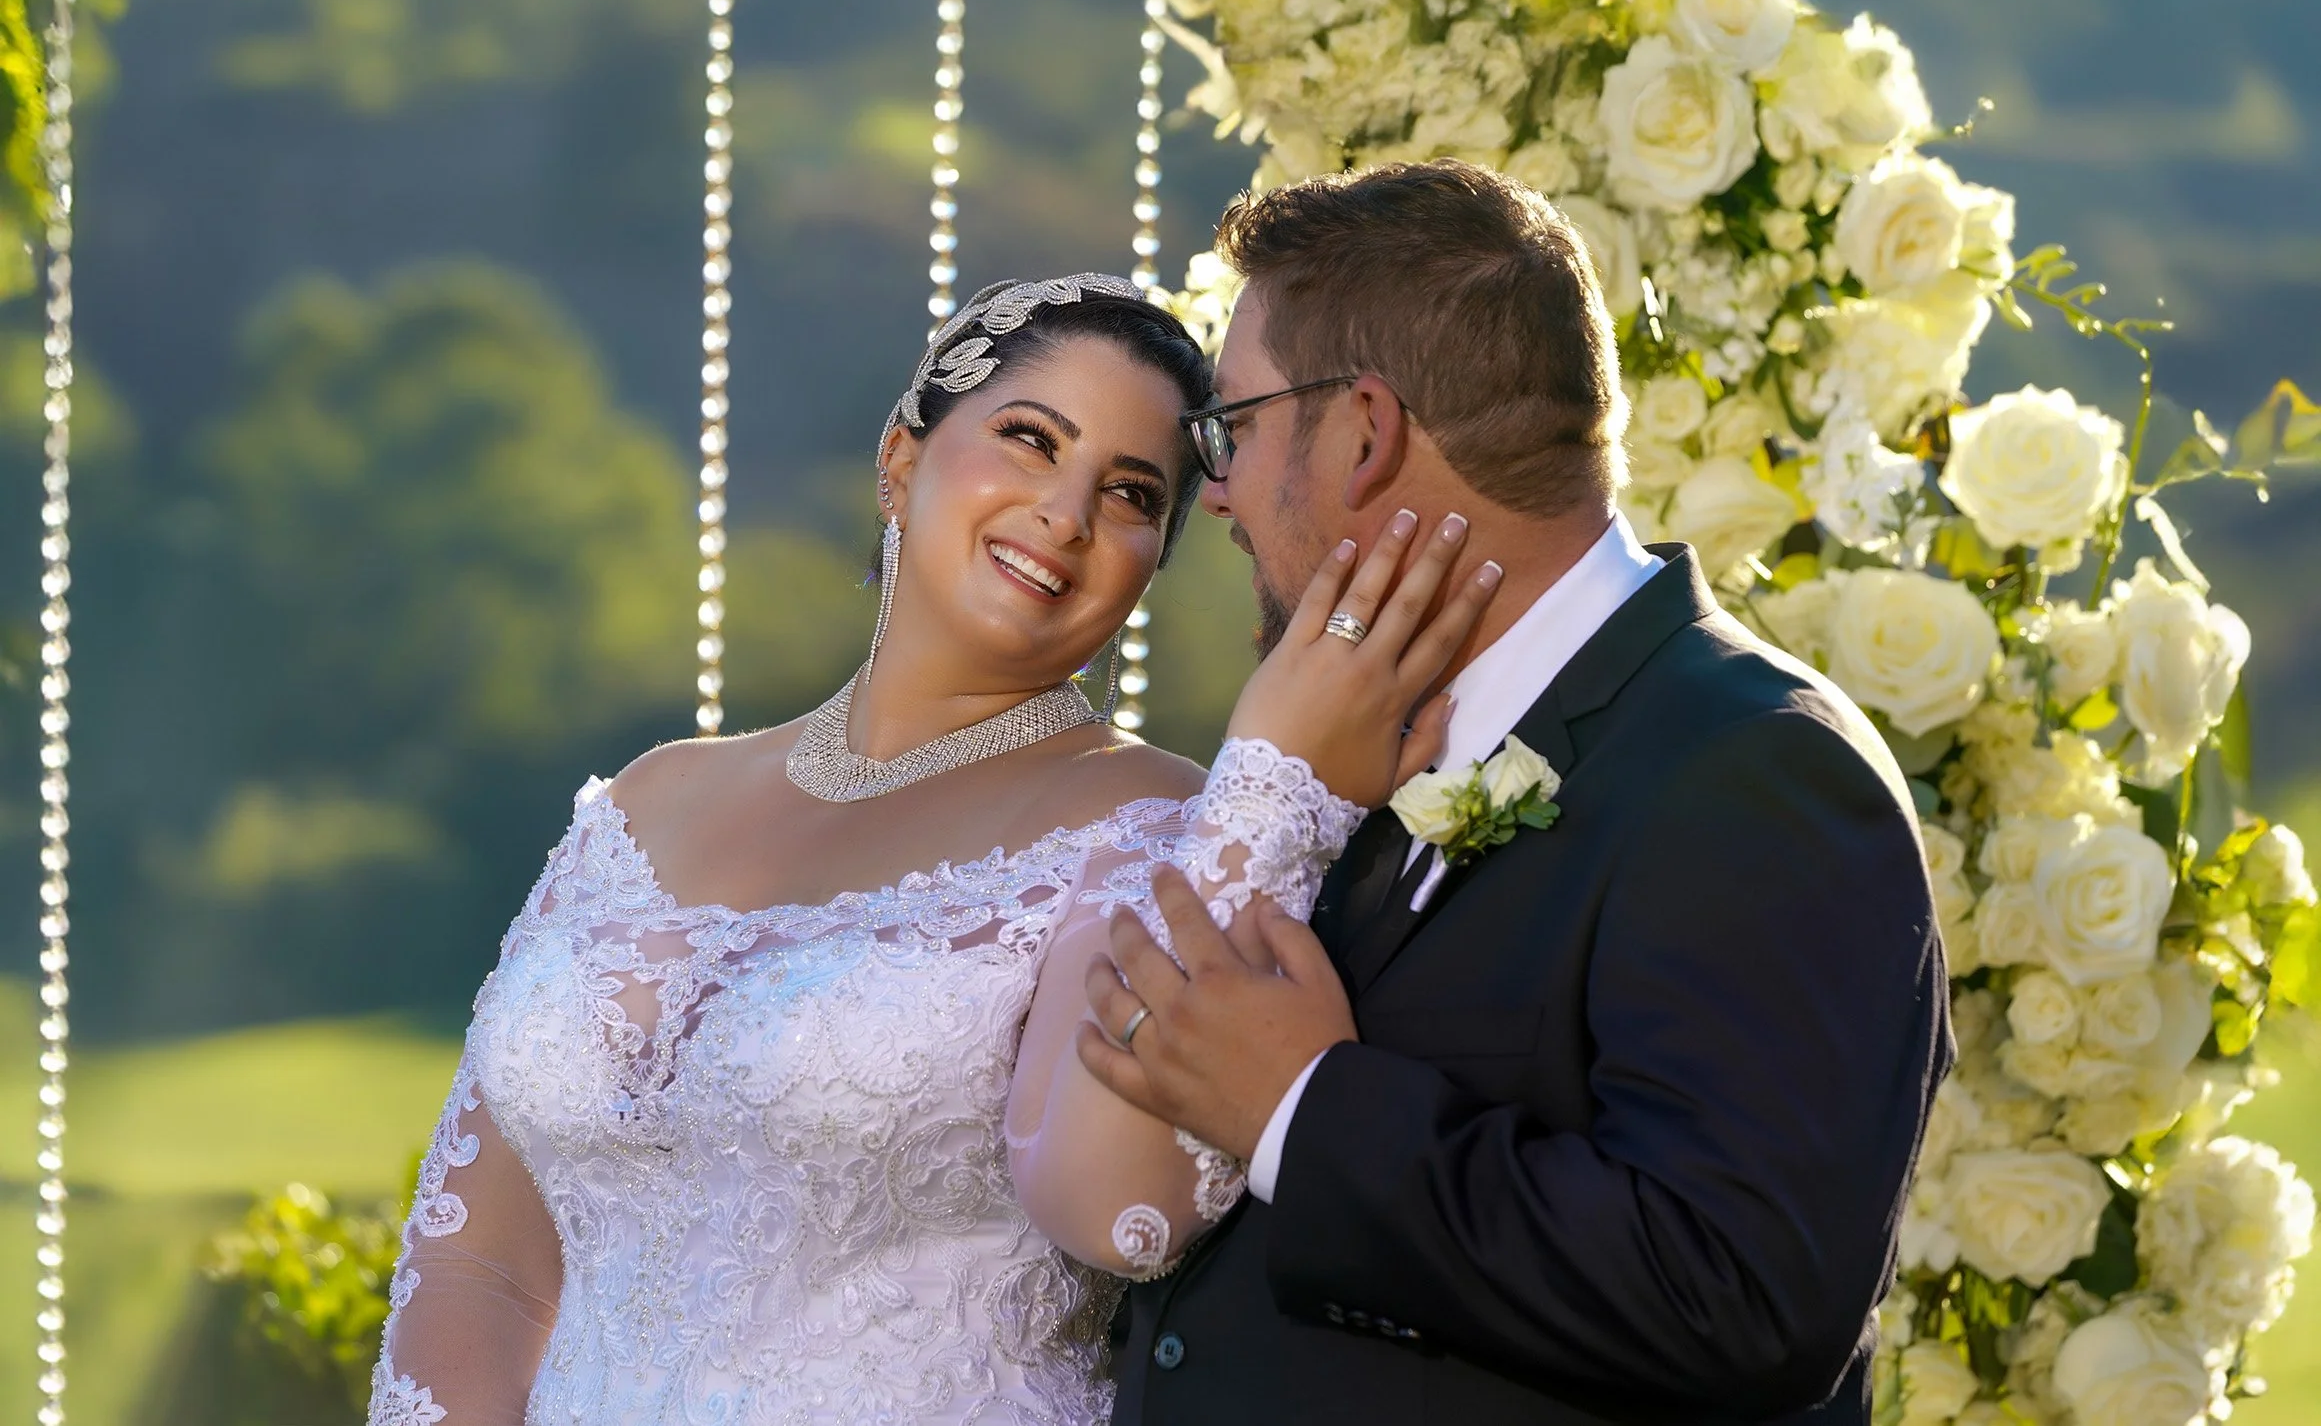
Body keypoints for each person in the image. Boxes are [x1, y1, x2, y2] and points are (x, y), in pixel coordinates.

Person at [364, 271, 1500, 1425]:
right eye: (1027, 438)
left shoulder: (1154, 828)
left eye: (1128, 493)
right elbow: (478, 1269)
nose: (1064, 514)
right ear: (901, 458)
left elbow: (1124, 1212)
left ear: (1149, 563)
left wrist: (1279, 788)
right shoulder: (647, 801)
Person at [1076, 161, 1954, 1425]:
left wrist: (1303, 1109)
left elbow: (1741, 1296)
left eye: (1235, 427)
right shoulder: (1359, 735)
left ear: (1364, 432)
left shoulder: (1757, 768)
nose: (1211, 489)